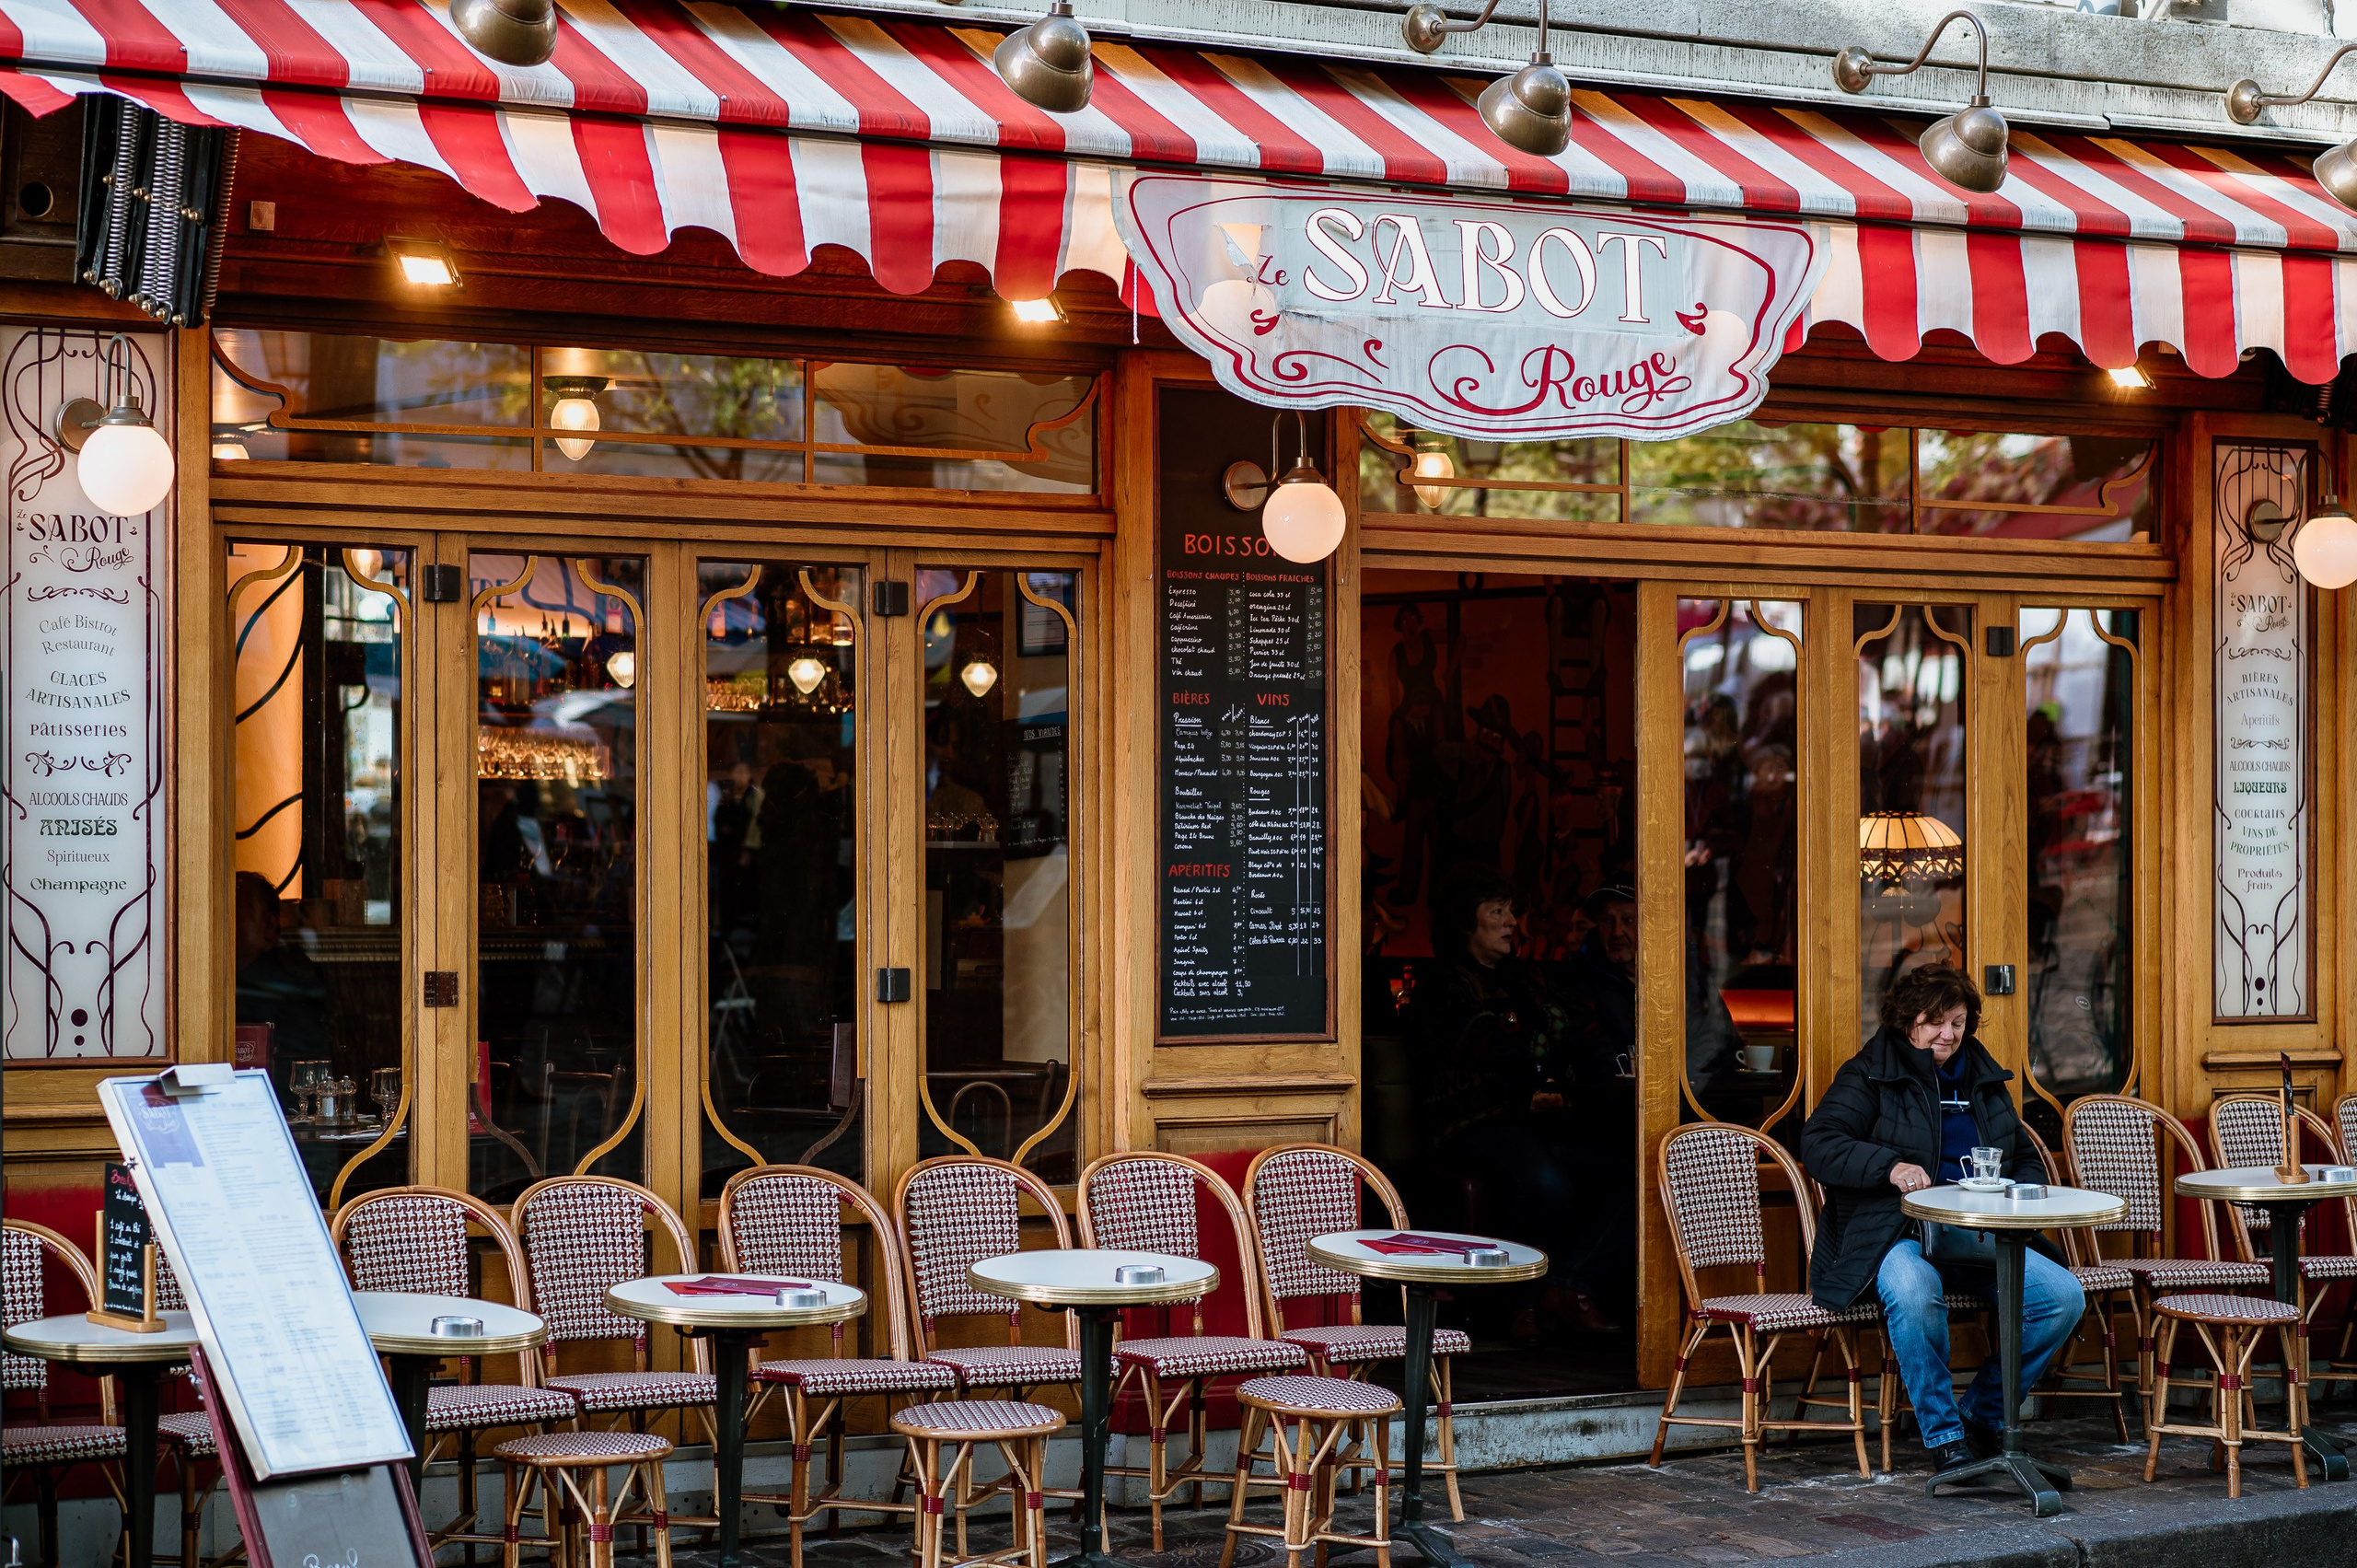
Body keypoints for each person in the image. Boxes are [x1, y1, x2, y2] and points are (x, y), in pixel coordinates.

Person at [1801, 966, 2084, 1471]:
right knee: (1912, 1292)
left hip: (1978, 1233)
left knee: (2062, 1298)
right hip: (1897, 1231)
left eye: (1956, 1022)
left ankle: (1983, 1412)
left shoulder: (1984, 1076)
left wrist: (2014, 1189)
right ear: (1906, 1021)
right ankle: (1945, 1436)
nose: (1947, 1035)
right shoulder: (1869, 1071)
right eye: (1933, 1022)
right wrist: (1889, 1167)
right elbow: (1820, 1144)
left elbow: (2023, 1156)